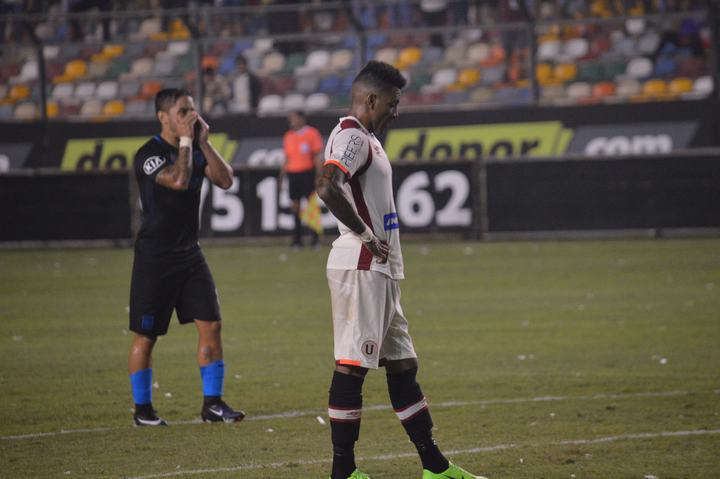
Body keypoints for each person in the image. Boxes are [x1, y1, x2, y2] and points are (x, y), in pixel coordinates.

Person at [316, 61, 486, 479]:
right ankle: (343, 472)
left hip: (381, 269)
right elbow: (326, 186)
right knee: (351, 366)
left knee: (403, 365)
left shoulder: (368, 139)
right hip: (361, 265)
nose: (397, 111)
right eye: (393, 103)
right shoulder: (353, 135)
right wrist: (365, 233)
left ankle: (435, 468)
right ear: (372, 99)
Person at [128, 88, 244, 426]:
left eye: (193, 110)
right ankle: (143, 412)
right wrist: (186, 141)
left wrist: (203, 143)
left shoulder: (194, 147)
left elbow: (225, 180)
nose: (191, 116)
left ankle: (213, 404)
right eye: (183, 111)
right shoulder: (148, 154)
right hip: (155, 257)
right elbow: (178, 179)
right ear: (163, 117)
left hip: (190, 254)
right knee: (146, 336)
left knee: (211, 324)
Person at [280, 110, 324, 249]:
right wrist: (281, 177)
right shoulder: (288, 136)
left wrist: (319, 175)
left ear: (301, 119)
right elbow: (287, 159)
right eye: (290, 118)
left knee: (311, 206)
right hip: (292, 174)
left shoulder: (312, 133)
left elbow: (317, 156)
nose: (291, 121)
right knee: (295, 206)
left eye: (293, 118)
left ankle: (315, 239)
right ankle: (297, 240)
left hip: (307, 173)